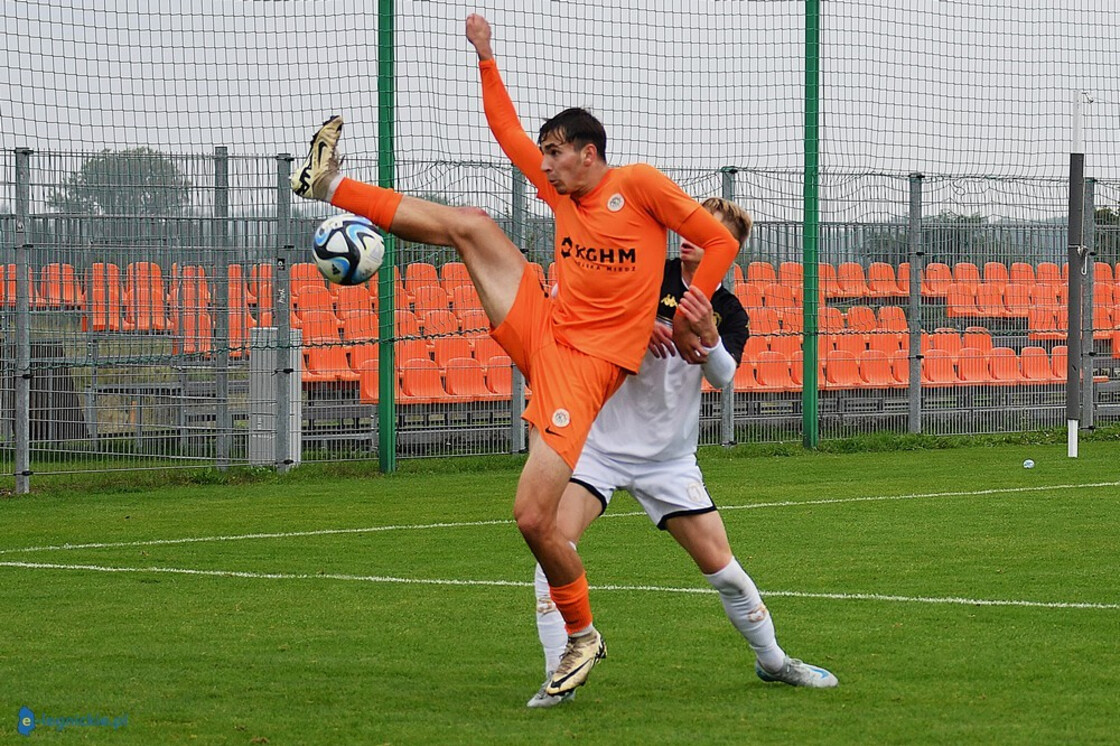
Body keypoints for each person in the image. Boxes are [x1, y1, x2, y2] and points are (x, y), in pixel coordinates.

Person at [291, 16, 738, 697]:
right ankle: (327, 186)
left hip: (585, 368)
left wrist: (685, 309)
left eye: (555, 151)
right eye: (545, 153)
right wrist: (485, 55)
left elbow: (719, 242)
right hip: (546, 323)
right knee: (471, 223)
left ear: (588, 154)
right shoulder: (564, 190)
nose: (545, 162)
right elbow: (505, 132)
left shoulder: (640, 187)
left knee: (532, 518)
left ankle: (582, 635)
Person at [526, 198, 839, 707]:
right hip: (599, 447)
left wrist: (710, 338)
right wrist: (634, 326)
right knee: (552, 551)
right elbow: (582, 315)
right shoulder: (644, 272)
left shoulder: (730, 310)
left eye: (707, 231)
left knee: (726, 572)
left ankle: (774, 661)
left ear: (729, 248)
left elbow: (723, 377)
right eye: (689, 225)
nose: (691, 235)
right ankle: (556, 678)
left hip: (668, 461)